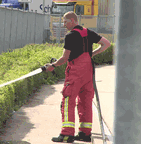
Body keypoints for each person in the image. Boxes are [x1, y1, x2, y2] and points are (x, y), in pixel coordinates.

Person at [44, 11, 111, 143]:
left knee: (68, 100)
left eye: (65, 21)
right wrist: (92, 54)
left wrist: (52, 65)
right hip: (88, 72)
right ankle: (85, 134)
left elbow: (64, 58)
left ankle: (67, 134)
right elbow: (106, 44)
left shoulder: (71, 36)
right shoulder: (89, 32)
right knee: (85, 101)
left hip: (75, 72)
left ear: (73, 21)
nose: (64, 24)